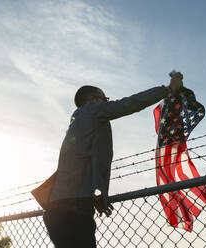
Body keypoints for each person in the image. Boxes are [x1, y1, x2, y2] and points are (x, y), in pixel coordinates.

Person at [43, 72, 184, 248]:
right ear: (94, 99)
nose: (108, 102)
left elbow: (84, 166)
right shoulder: (93, 111)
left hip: (56, 209)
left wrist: (96, 193)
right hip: (75, 209)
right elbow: (130, 103)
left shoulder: (77, 121)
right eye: (105, 98)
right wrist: (168, 89)